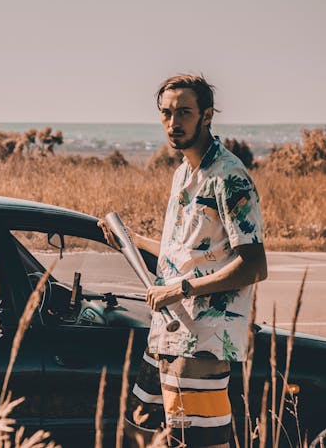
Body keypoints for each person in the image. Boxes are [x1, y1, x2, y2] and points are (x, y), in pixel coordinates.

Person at [100, 75, 267, 448]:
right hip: (165, 334)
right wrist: (127, 240)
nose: (173, 123)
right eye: (167, 113)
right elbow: (182, 255)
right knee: (141, 432)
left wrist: (182, 288)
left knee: (200, 443)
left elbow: (254, 265)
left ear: (206, 116)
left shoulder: (230, 178)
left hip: (204, 340)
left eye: (184, 113)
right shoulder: (182, 174)